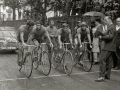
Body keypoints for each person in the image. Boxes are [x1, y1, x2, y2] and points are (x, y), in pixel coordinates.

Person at [95, 16, 116, 82]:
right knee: (109, 61)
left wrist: (101, 37)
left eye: (105, 20)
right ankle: (107, 75)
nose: (104, 21)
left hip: (107, 46)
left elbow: (110, 36)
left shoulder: (111, 27)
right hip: (111, 47)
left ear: (109, 20)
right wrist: (104, 33)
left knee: (102, 60)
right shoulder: (112, 27)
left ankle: (101, 76)